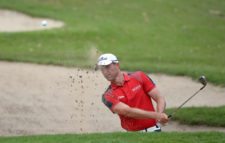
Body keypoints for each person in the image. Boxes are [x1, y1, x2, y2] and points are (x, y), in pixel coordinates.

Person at [97, 53, 169, 132]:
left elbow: (159, 97)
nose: (105, 72)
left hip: (154, 130)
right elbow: (128, 112)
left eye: (107, 67)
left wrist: (160, 114)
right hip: (133, 135)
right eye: (102, 69)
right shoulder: (107, 96)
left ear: (117, 65)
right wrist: (156, 115)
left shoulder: (139, 76)